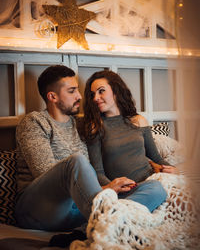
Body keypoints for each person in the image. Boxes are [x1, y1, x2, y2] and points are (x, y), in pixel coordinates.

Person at [14, 65, 138, 233]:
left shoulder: (81, 125)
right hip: (38, 210)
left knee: (153, 188)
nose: (80, 96)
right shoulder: (34, 122)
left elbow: (116, 147)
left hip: (77, 208)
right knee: (76, 160)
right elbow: (45, 174)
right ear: (53, 97)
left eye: (78, 90)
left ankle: (85, 229)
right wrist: (105, 190)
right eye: (72, 91)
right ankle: (111, 226)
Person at [82, 70, 177, 213]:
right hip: (122, 191)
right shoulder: (96, 126)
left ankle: (119, 213)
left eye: (101, 91)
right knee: (157, 191)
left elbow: (156, 157)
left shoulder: (138, 120)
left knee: (178, 193)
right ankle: (115, 213)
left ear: (116, 90)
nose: (96, 98)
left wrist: (177, 170)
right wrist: (115, 187)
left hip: (148, 182)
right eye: (92, 94)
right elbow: (98, 172)